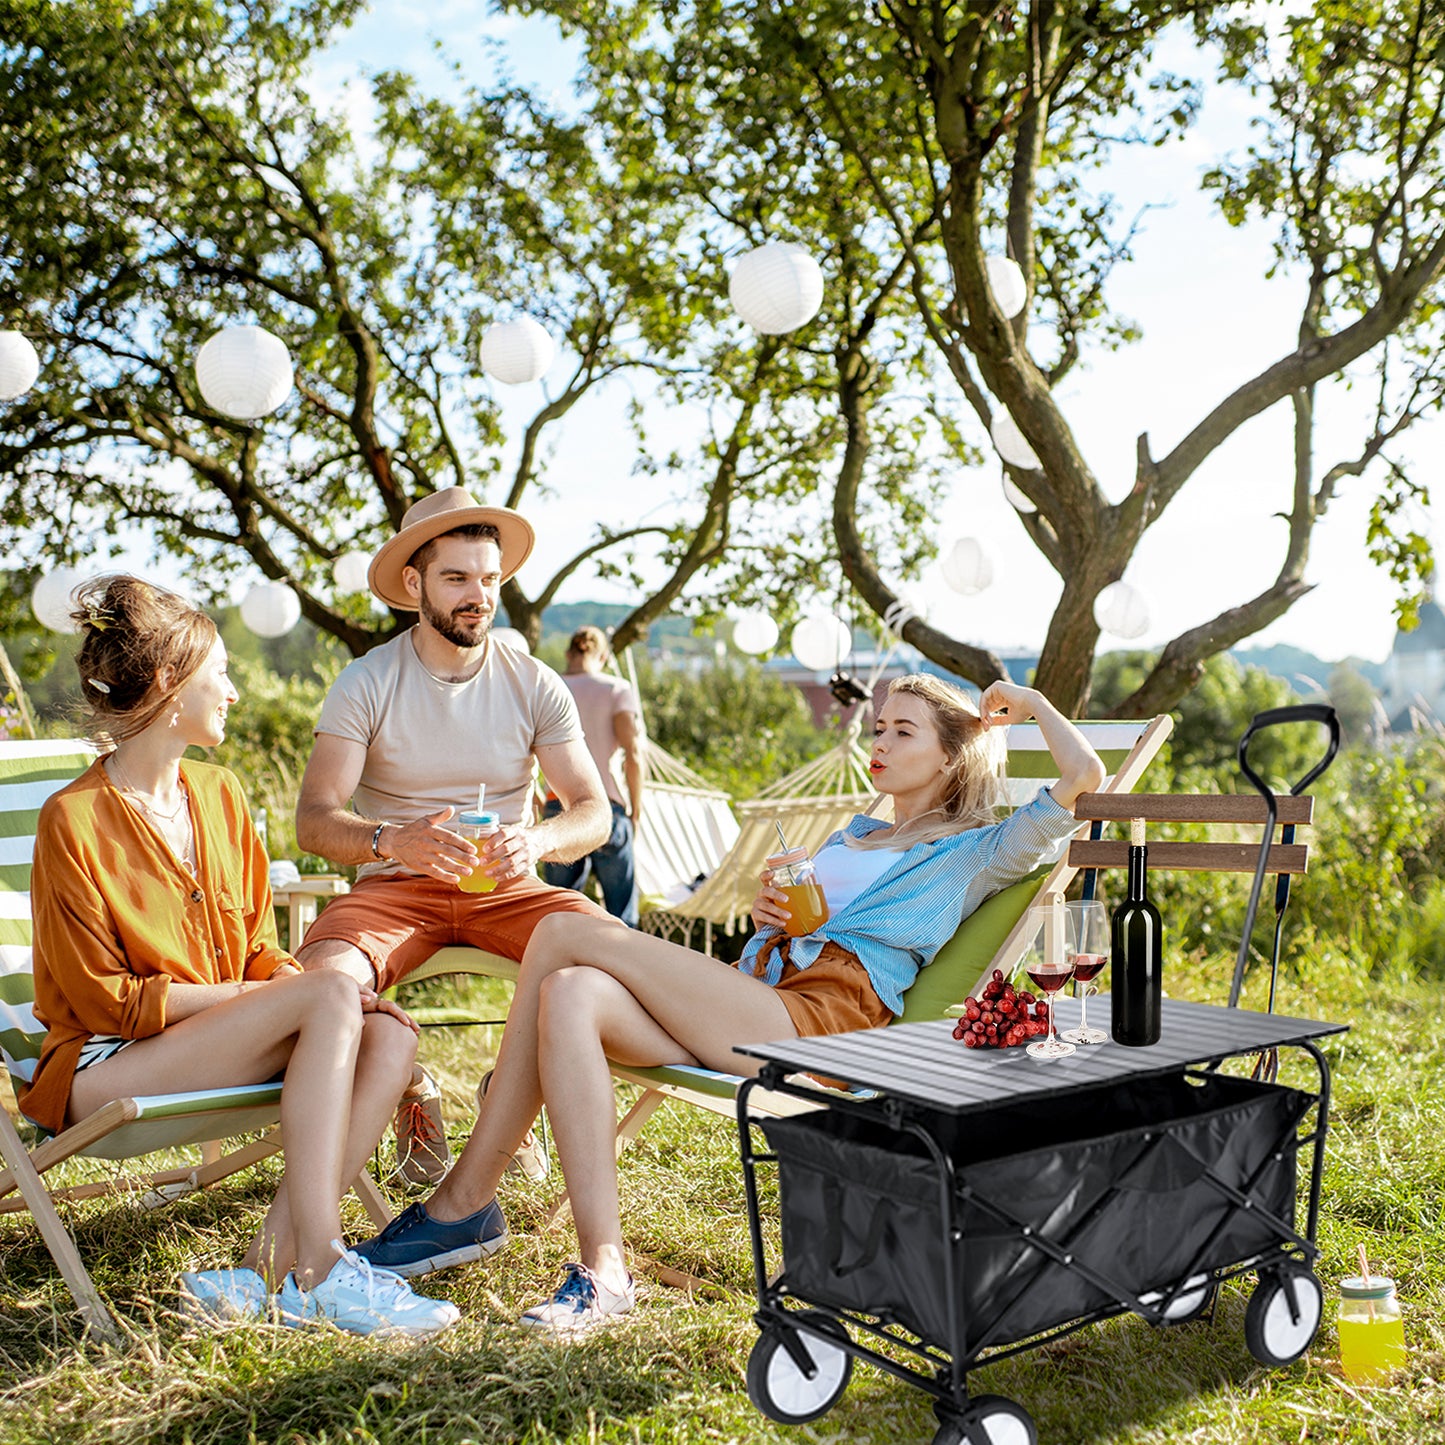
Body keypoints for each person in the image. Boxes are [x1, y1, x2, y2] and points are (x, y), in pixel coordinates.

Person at [350, 674, 1107, 1333]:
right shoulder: (855, 833)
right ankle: (604, 1270)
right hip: (758, 998)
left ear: (949, 754)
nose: (879, 740)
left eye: (902, 730)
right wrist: (767, 911)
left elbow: (1084, 774)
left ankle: (462, 1205)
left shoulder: (975, 848)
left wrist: (1031, 702)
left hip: (823, 1029)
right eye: (877, 726)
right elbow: (797, 922)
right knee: (570, 989)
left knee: (556, 930)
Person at [22, 575, 457, 1336]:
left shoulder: (220, 793)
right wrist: (278, 1000)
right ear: (167, 684)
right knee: (328, 993)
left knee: (388, 1029)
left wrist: (308, 995)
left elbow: (256, 949)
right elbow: (104, 1002)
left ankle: (261, 1275)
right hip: (106, 1062)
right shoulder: (74, 819)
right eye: (218, 671)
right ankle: (323, 1266)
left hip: (209, 1045)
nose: (232, 689)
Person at [292, 487, 613, 1185]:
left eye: (490, 578)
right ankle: (412, 1088)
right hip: (394, 889)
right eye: (457, 578)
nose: (478, 595)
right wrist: (388, 840)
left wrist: (537, 840)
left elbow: (594, 810)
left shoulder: (535, 683)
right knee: (317, 986)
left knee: (613, 962)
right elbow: (314, 818)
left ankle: (508, 1095)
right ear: (414, 584)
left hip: (508, 886)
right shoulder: (365, 680)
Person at [539, 626, 645, 926]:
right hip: (605, 809)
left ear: (568, 653)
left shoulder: (547, 686)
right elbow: (633, 753)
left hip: (558, 806)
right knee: (621, 916)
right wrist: (636, 810)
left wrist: (536, 799)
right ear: (603, 656)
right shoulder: (616, 689)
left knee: (560, 913)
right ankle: (622, 971)